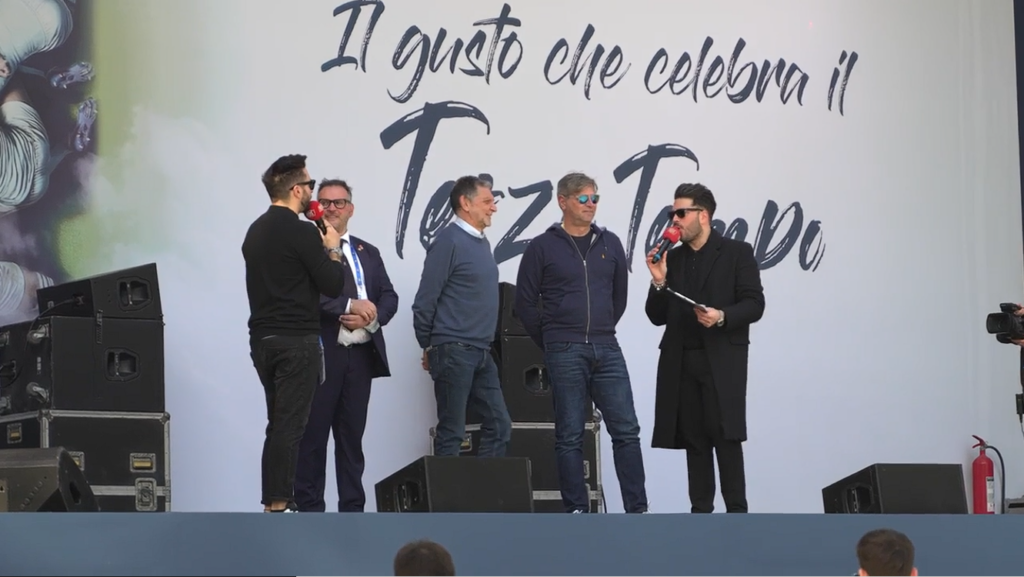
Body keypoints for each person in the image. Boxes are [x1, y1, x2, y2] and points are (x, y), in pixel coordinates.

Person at [514, 171, 649, 514]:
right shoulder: (542, 247)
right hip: (564, 348)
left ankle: (638, 509)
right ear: (563, 201)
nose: (591, 205)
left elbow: (619, 298)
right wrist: (553, 339)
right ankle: (577, 509)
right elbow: (525, 303)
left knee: (626, 430)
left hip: (607, 346)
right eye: (583, 198)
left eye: (595, 198)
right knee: (571, 433)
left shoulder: (610, 243)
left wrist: (602, 328)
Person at [644, 183, 765, 514]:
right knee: (694, 440)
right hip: (683, 360)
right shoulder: (673, 258)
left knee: (726, 437)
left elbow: (754, 303)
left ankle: (737, 514)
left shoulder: (736, 252)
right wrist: (659, 281)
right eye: (672, 214)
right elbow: (655, 316)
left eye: (681, 213)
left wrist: (721, 316)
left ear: (703, 215)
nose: (675, 220)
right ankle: (700, 515)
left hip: (722, 360)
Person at [242, 154, 346, 513]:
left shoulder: (255, 231)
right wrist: (333, 249)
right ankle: (279, 504)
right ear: (297, 189)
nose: (312, 193)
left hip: (263, 340)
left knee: (278, 424)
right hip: (296, 341)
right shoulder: (301, 232)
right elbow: (332, 284)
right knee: (290, 426)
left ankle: (274, 502)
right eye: (311, 185)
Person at [294, 179, 399, 512]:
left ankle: (353, 511)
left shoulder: (368, 251)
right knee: (313, 437)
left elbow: (389, 296)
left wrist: (371, 317)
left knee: (352, 438)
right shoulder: (307, 249)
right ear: (315, 208)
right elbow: (307, 296)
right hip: (323, 353)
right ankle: (310, 511)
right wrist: (349, 307)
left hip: (362, 355)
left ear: (350, 209)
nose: (331, 209)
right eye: (324, 202)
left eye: (339, 203)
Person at [412, 175, 511, 457]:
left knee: (500, 425)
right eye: (487, 201)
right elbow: (425, 299)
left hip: (481, 351)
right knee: (452, 432)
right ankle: (450, 489)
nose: (494, 207)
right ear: (466, 203)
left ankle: (483, 486)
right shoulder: (448, 241)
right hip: (454, 350)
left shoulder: (481, 242)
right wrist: (429, 345)